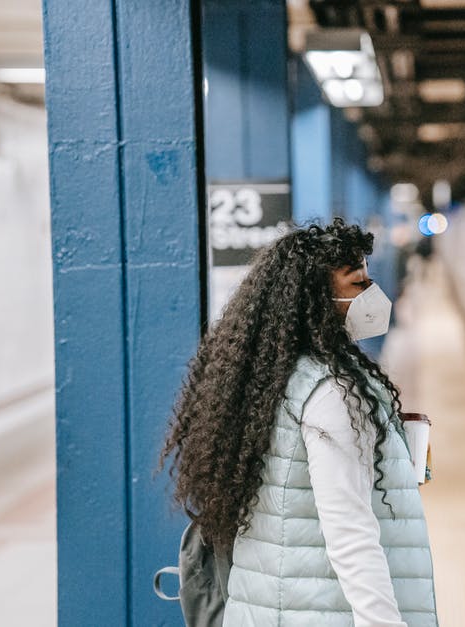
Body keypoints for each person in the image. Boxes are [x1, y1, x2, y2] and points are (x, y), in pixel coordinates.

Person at [160, 219, 438, 626]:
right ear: (316, 297)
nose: (371, 294)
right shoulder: (330, 394)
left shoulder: (270, 382)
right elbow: (350, 533)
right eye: (357, 284)